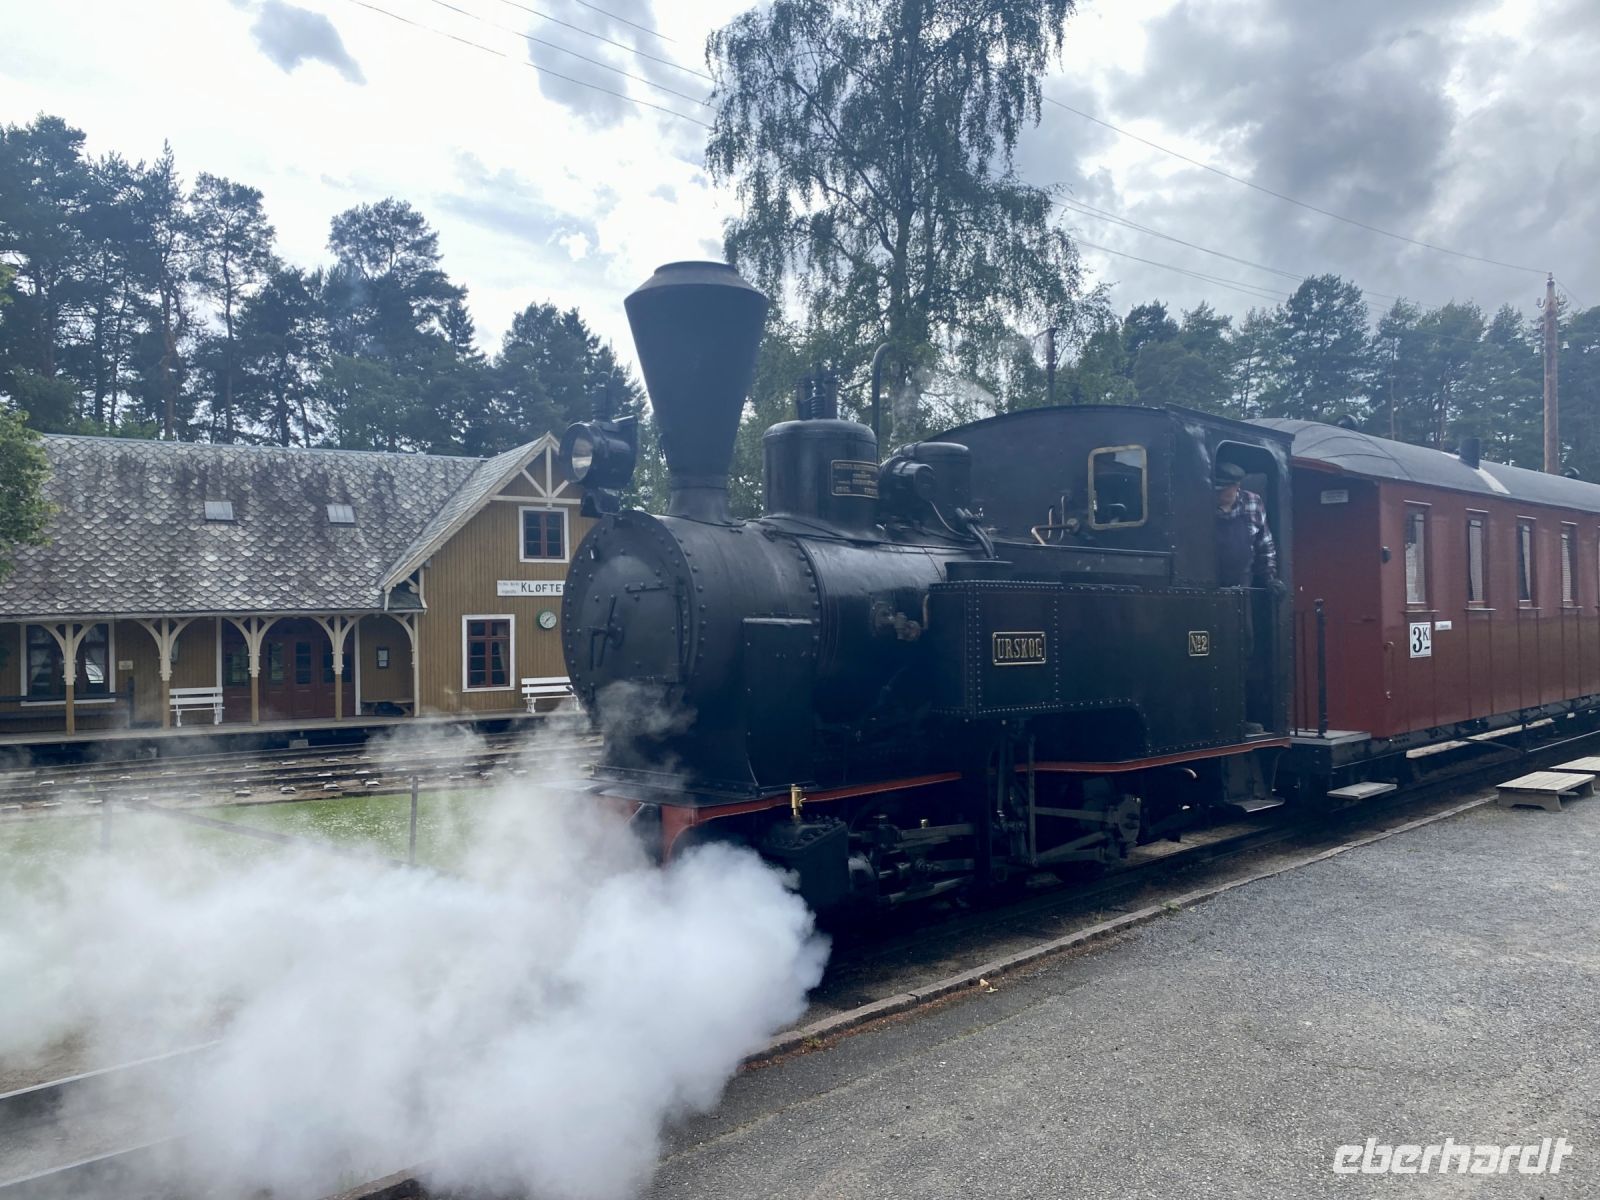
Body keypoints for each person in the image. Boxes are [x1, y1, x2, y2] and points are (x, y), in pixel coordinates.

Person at [1213, 462, 1279, 591]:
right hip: (1211, 585)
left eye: (1223, 490)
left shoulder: (1253, 502)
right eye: (1216, 490)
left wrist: (1270, 579)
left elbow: (1265, 546)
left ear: (1237, 486)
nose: (1218, 494)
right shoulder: (1202, 503)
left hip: (1243, 587)